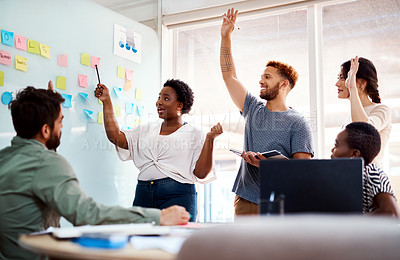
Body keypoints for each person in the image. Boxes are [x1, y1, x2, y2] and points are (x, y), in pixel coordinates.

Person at [0, 83, 190, 260]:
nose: (63, 127)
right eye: (60, 121)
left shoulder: (5, 158)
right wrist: (159, 217)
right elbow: (86, 215)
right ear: (45, 130)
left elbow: (36, 165)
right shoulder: (48, 164)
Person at [220, 8, 314, 216]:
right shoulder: (252, 108)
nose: (261, 80)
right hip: (246, 199)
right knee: (243, 250)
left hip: (280, 203)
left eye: (268, 77)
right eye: (261, 76)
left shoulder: (298, 123)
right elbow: (230, 76)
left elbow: (303, 171)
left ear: (283, 84)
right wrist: (226, 36)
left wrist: (271, 166)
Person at [94, 79, 223, 222]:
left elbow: (201, 173)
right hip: (143, 195)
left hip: (178, 197)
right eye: (159, 98)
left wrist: (210, 138)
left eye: (166, 98)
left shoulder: (194, 133)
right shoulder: (146, 129)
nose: (159, 102)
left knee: (174, 241)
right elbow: (116, 137)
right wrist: (106, 101)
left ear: (179, 105)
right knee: (140, 241)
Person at [331, 122, 399, 217]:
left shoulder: (371, 171)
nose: (332, 150)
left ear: (354, 154)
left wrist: (348, 221)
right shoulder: (339, 178)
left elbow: (391, 213)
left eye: (336, 145)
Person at [336, 56, 391, 165]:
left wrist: (352, 88)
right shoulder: (350, 117)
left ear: (361, 83)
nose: (337, 83)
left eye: (342, 77)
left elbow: (363, 131)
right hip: (351, 175)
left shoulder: (382, 110)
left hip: (369, 178)